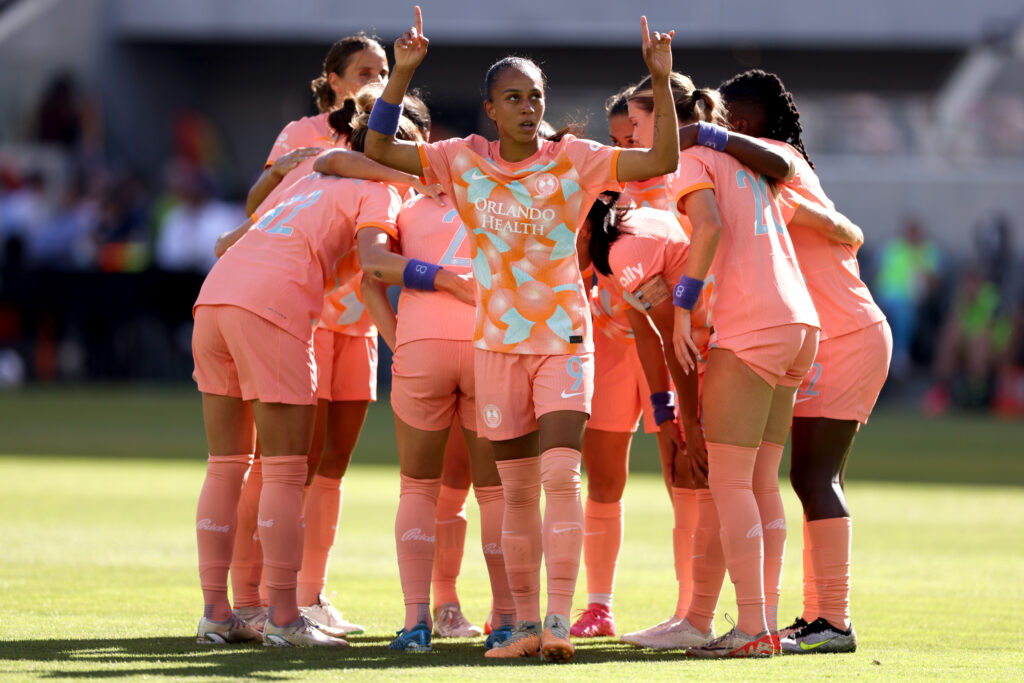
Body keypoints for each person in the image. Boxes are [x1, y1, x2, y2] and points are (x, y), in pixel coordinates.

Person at [363, 6, 680, 662]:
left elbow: (662, 156)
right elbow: (376, 150)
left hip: (564, 338)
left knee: (562, 475)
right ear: (490, 108)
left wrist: (659, 76)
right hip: (497, 345)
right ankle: (523, 624)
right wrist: (399, 75)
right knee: (514, 490)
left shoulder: (575, 160)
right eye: (514, 97)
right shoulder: (459, 160)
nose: (528, 106)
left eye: (536, 95)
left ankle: (559, 621)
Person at [627, 70, 820, 658]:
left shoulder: (688, 154)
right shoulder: (734, 154)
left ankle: (755, 628)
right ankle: (758, 621)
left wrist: (681, 310)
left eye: (637, 126)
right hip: (799, 324)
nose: (634, 139)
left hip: (755, 324)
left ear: (664, 119)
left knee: (732, 482)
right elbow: (781, 174)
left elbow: (707, 227)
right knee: (761, 480)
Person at [191, 156, 406, 648]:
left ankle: (216, 615)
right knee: (287, 470)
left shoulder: (310, 173)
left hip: (215, 298)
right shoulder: (380, 190)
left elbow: (225, 243)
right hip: (272, 306)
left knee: (225, 465)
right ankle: (285, 620)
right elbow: (374, 262)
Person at [719, 69, 891, 654]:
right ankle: (821, 617)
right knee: (810, 477)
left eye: (722, 119)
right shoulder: (780, 157)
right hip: (841, 328)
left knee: (815, 477)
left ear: (740, 124)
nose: (715, 128)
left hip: (842, 331)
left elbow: (816, 221)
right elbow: (837, 227)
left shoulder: (763, 158)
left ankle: (833, 622)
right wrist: (844, 226)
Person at [230, 34, 390, 637]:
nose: (375, 77)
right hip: (305, 314)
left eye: (383, 69)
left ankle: (310, 594)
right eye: (364, 70)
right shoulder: (304, 133)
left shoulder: (394, 136)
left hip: (359, 319)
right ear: (333, 79)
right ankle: (253, 596)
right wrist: (289, 167)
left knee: (333, 466)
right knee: (281, 463)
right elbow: (258, 208)